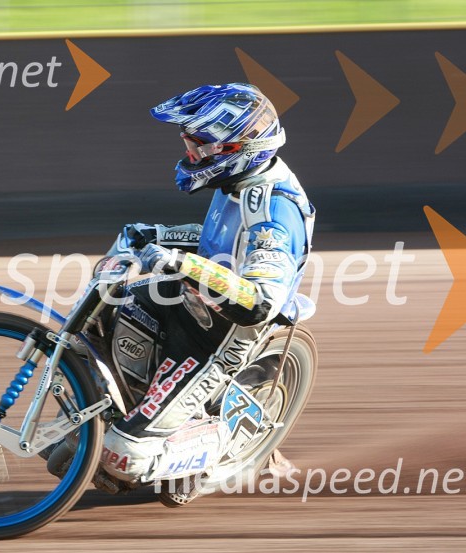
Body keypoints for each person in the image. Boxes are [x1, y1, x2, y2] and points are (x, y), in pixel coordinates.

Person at [93, 83, 315, 501]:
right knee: (106, 316)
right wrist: (157, 238)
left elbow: (260, 302)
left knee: (121, 457)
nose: (189, 154)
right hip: (192, 299)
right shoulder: (240, 182)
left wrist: (182, 263)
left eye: (198, 145)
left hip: (224, 334)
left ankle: (200, 462)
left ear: (235, 148)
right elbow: (220, 241)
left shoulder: (274, 210)